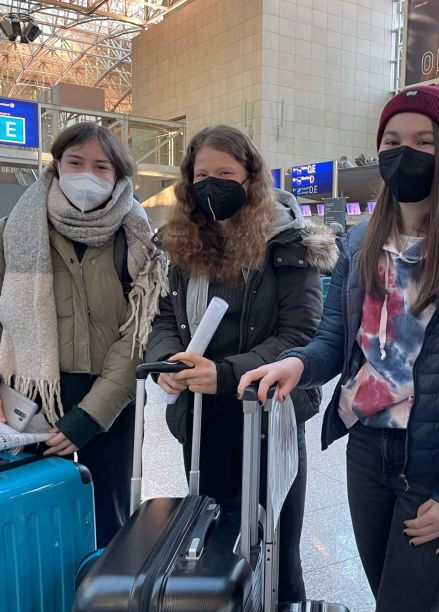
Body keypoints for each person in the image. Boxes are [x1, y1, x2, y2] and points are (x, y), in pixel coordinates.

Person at [239, 85, 439, 611]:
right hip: (366, 454)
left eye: (424, 141)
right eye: (393, 141)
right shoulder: (360, 243)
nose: (406, 153)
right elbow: (335, 341)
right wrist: (297, 364)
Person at [146, 125, 336, 602]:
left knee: (277, 551)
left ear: (251, 178)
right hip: (202, 420)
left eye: (225, 174)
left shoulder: (287, 243)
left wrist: (226, 373)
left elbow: (301, 335)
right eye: (201, 175)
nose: (212, 185)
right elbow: (163, 317)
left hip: (269, 417)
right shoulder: (182, 244)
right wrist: (167, 361)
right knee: (213, 544)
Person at [0, 122, 167, 547]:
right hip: (26, 401)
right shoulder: (14, 231)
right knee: (27, 522)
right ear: (56, 167)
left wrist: (91, 415)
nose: (87, 174)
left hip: (109, 406)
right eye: (75, 162)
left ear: (118, 175)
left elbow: (139, 334)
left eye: (101, 167)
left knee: (108, 520)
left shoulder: (136, 240)